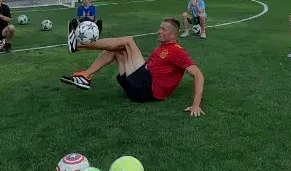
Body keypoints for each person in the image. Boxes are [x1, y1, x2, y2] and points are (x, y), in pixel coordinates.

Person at [60, 18, 205, 116]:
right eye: (159, 28)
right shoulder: (161, 48)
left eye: (163, 29)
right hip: (138, 89)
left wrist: (196, 105)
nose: (159, 31)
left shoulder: (178, 51)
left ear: (173, 35)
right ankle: (86, 76)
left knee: (128, 41)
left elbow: (198, 75)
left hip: (147, 90)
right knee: (115, 50)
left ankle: (78, 45)